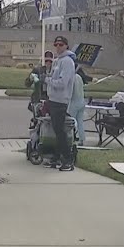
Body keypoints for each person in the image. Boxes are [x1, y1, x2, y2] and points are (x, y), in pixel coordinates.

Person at [44, 35, 76, 171]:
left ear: (66, 46)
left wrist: (47, 80)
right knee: (56, 130)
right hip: (53, 99)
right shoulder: (57, 61)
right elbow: (53, 76)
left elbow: (63, 82)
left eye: (61, 45)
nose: (58, 47)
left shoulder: (67, 61)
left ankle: (68, 159)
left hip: (61, 100)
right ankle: (56, 158)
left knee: (60, 130)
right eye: (56, 44)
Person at [68, 58, 86, 147]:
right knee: (80, 121)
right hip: (81, 101)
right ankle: (82, 139)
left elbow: (70, 92)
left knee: (71, 121)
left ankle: (72, 137)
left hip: (74, 102)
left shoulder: (72, 78)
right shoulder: (79, 77)